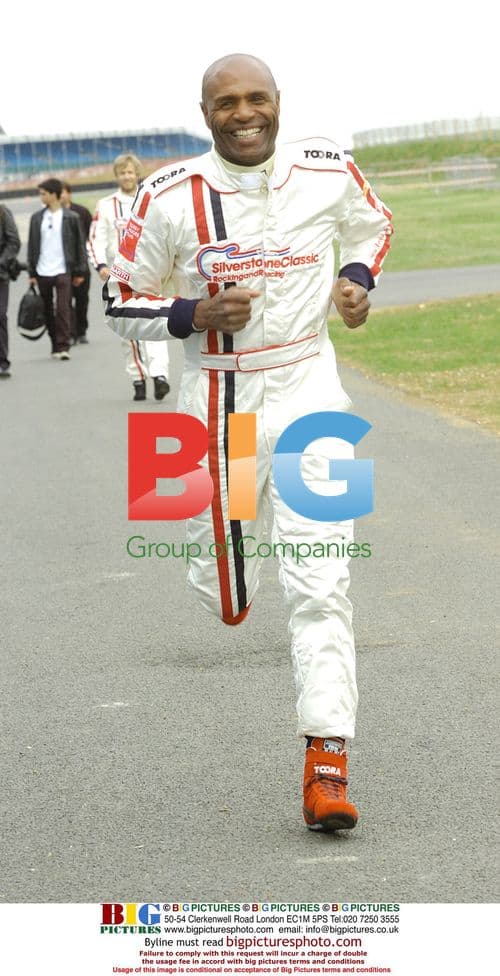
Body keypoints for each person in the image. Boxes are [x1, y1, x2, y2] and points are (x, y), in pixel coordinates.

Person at [104, 54, 393, 831]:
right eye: (226, 102)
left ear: (277, 103)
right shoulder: (170, 195)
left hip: (312, 398)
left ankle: (326, 765)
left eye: (255, 98)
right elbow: (119, 299)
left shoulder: (329, 168)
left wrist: (359, 278)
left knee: (323, 583)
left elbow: (376, 224)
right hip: (217, 416)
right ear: (205, 113)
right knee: (224, 591)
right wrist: (191, 314)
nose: (243, 113)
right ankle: (229, 567)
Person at [88, 153, 170, 400]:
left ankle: (159, 375)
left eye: (130, 172)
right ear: (117, 176)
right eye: (122, 172)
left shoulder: (151, 201)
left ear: (137, 174)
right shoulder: (106, 205)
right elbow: (96, 238)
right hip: (118, 274)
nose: (127, 176)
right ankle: (138, 379)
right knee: (128, 328)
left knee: (156, 319)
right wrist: (100, 264)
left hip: (150, 271)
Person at [27, 178, 87, 360]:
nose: (41, 197)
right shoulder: (37, 218)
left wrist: (80, 271)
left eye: (43, 193)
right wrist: (32, 272)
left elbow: (79, 246)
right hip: (42, 270)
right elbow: (32, 246)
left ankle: (63, 345)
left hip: (63, 270)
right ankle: (54, 343)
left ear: (54, 195)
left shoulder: (71, 217)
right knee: (47, 309)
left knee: (63, 308)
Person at [60, 182, 92, 344]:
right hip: (62, 265)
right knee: (65, 301)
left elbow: (91, 235)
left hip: (81, 263)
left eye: (64, 192)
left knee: (82, 300)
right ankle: (70, 332)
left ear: (69, 193)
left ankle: (81, 331)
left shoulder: (82, 212)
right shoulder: (53, 214)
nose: (61, 195)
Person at [0, 204, 21, 378]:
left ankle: (2, 362)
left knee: (0, 316)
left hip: (0, 274)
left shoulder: (3, 211)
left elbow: (13, 241)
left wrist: (1, 262)